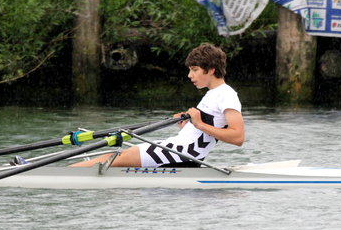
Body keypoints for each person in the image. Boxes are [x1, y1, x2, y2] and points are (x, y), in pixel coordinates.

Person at [71, 43, 244, 168]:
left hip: (181, 154)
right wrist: (188, 125)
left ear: (212, 69)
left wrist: (199, 124)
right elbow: (204, 132)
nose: (189, 75)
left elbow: (238, 137)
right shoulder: (213, 94)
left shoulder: (227, 95)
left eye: (194, 69)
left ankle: (57, 175)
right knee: (113, 159)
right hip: (178, 150)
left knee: (112, 158)